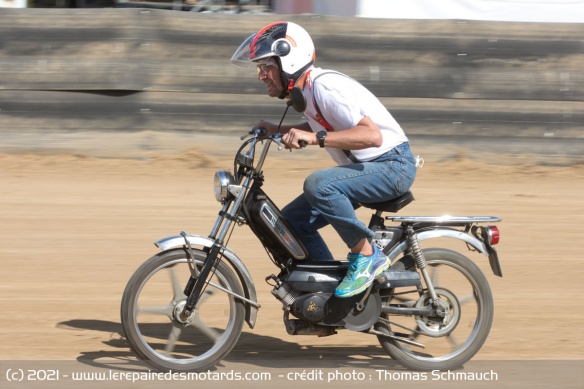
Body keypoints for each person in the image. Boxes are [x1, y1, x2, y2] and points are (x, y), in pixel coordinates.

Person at [231, 21, 416, 298]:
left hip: (392, 166)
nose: (261, 75)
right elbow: (329, 125)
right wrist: (278, 130)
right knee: (291, 222)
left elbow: (371, 136)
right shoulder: (306, 93)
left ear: (288, 61)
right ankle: (326, 295)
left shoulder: (324, 87)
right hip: (367, 168)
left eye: (265, 67)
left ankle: (367, 256)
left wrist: (315, 139)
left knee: (319, 184)